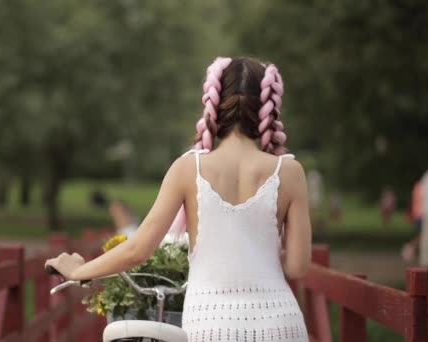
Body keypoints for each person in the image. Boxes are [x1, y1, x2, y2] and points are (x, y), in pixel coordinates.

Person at [46, 57, 312, 341]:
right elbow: (297, 266)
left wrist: (80, 271)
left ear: (213, 103)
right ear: (267, 107)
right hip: (279, 324)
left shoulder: (188, 168)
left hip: (211, 325)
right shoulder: (290, 172)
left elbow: (138, 249)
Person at [401, 180, 423, 262]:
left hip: (417, 213)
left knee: (421, 235)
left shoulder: (416, 186)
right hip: (421, 214)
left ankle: (412, 250)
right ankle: (409, 249)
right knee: (422, 236)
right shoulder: (421, 187)